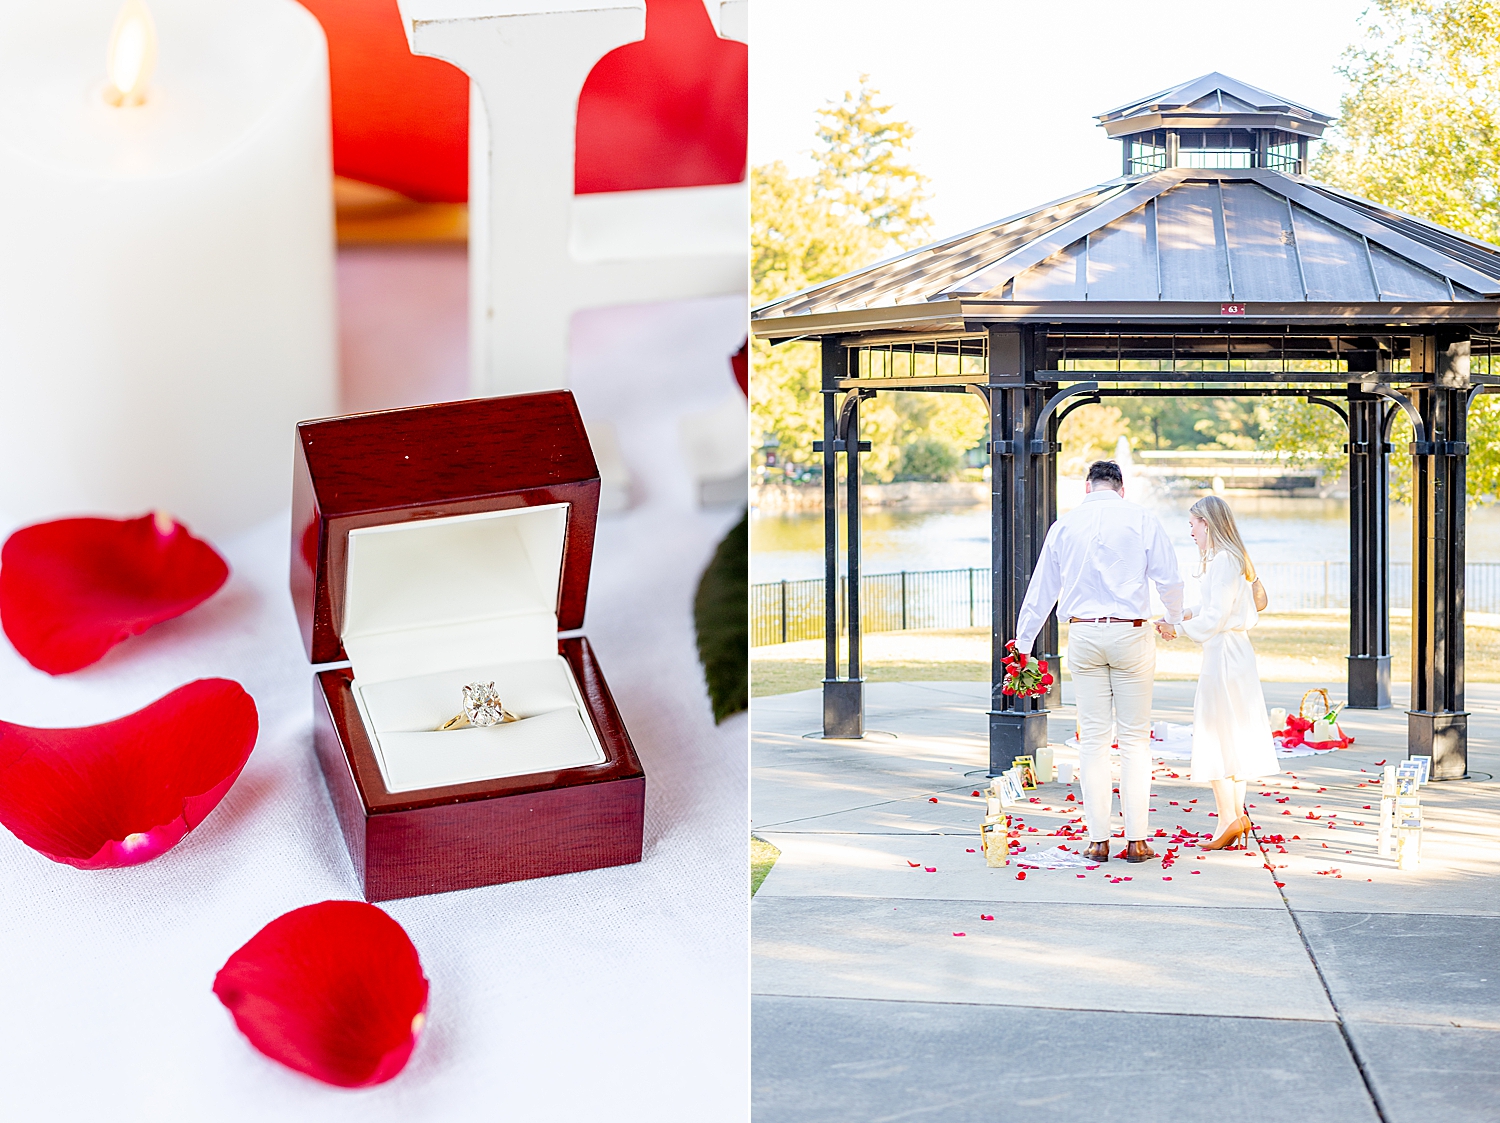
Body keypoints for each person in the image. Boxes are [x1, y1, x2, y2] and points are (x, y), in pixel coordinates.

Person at [1012, 460, 1184, 864]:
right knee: (1134, 740)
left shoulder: (1065, 526)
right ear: (1121, 489)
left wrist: (1023, 644)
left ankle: (1097, 840)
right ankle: (1137, 841)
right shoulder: (1142, 518)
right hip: (1131, 632)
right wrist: (1173, 620)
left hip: (1085, 634)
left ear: (1087, 488)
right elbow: (1169, 579)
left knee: (1092, 741)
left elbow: (1041, 590)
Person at [1170, 495, 1281, 850]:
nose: (1190, 532)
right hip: (1238, 653)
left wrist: (1178, 630)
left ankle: (1226, 818)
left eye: (1193, 524)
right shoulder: (1235, 560)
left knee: (1215, 732)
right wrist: (1182, 614)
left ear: (1207, 523)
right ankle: (1234, 816)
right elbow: (1215, 607)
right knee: (1233, 733)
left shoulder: (1222, 561)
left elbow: (1215, 617)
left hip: (1222, 655)